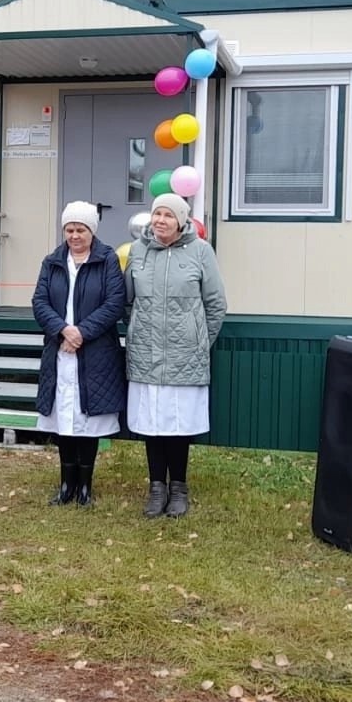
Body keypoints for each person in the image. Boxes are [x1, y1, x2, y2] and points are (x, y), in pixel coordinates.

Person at [125, 192, 227, 519]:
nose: (160, 221)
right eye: (157, 215)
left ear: (181, 220)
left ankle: (179, 487)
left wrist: (198, 340)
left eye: (168, 216)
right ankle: (157, 487)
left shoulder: (200, 251)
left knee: (179, 424)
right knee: (152, 423)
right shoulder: (139, 251)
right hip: (146, 353)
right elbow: (128, 299)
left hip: (186, 356)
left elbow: (215, 304)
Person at [32, 201, 126, 508]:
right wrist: (62, 330)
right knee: (65, 420)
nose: (74, 236)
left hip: (94, 351)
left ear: (92, 231)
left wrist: (81, 332)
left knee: (88, 421)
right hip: (59, 350)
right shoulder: (52, 261)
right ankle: (66, 484)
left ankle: (85, 485)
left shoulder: (107, 259)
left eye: (80, 230)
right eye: (69, 230)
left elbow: (114, 303)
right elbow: (40, 302)